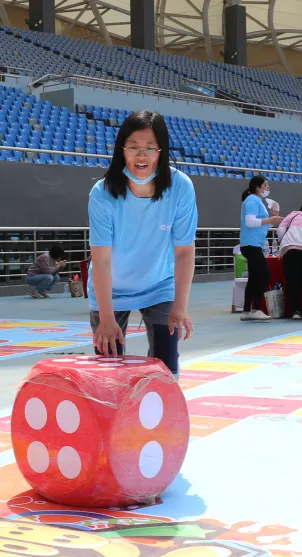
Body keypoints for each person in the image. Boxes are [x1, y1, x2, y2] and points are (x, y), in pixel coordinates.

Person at [88, 109, 196, 376]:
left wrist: (180, 306)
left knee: (166, 371)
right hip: (111, 290)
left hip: (159, 285)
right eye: (133, 147)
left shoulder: (180, 187)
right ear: (121, 150)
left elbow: (184, 252)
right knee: (109, 374)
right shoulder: (102, 193)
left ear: (161, 151)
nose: (141, 155)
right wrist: (106, 318)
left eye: (150, 148)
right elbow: (101, 260)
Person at [239, 175, 282, 321]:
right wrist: (270, 219)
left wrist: (273, 219)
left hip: (253, 243)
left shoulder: (257, 201)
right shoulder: (252, 200)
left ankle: (246, 310)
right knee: (264, 275)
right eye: (265, 185)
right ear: (258, 187)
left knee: (254, 277)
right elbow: (250, 221)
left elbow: (261, 223)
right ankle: (256, 308)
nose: (267, 188)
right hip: (251, 244)